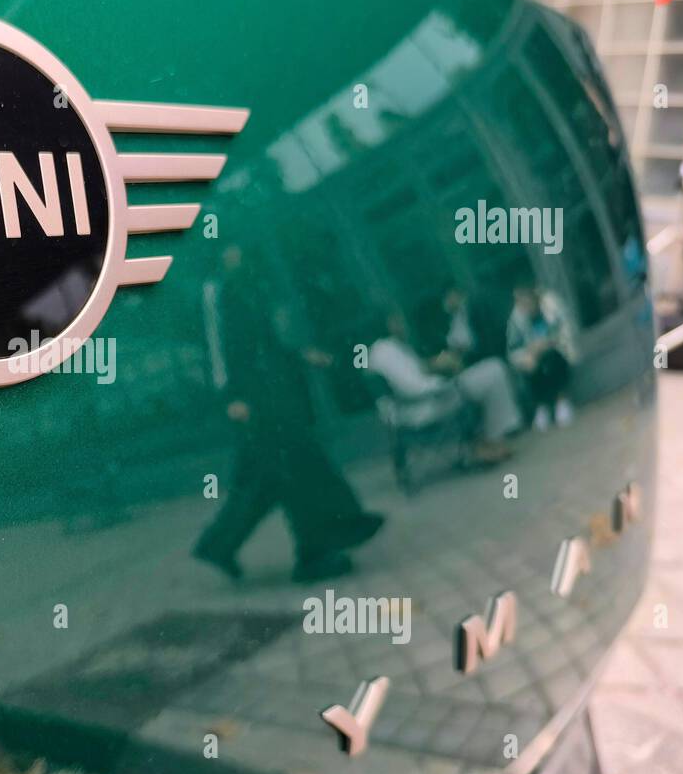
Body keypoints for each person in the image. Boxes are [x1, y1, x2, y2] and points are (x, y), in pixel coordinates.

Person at [193, 246, 384, 583]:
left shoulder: (246, 286)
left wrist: (302, 355)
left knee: (267, 480)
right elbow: (218, 353)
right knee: (297, 467)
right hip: (254, 403)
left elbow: (266, 341)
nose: (238, 252)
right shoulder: (215, 290)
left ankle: (218, 546)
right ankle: (314, 554)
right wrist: (230, 398)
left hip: (273, 397)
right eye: (232, 247)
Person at [369, 309, 520, 462]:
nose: (403, 324)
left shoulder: (391, 347)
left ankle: (488, 441)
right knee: (493, 371)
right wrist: (445, 382)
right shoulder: (384, 350)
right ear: (389, 323)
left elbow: (412, 375)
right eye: (398, 320)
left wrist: (433, 366)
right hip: (426, 404)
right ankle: (490, 440)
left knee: (492, 369)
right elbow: (412, 387)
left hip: (432, 397)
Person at [507, 284, 574, 431]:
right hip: (534, 357)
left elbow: (566, 330)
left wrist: (547, 343)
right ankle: (542, 405)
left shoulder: (550, 306)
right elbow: (513, 350)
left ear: (534, 297)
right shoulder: (516, 319)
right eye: (519, 302)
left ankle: (561, 399)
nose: (523, 306)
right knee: (530, 367)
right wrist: (527, 355)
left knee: (552, 359)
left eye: (526, 301)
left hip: (558, 350)